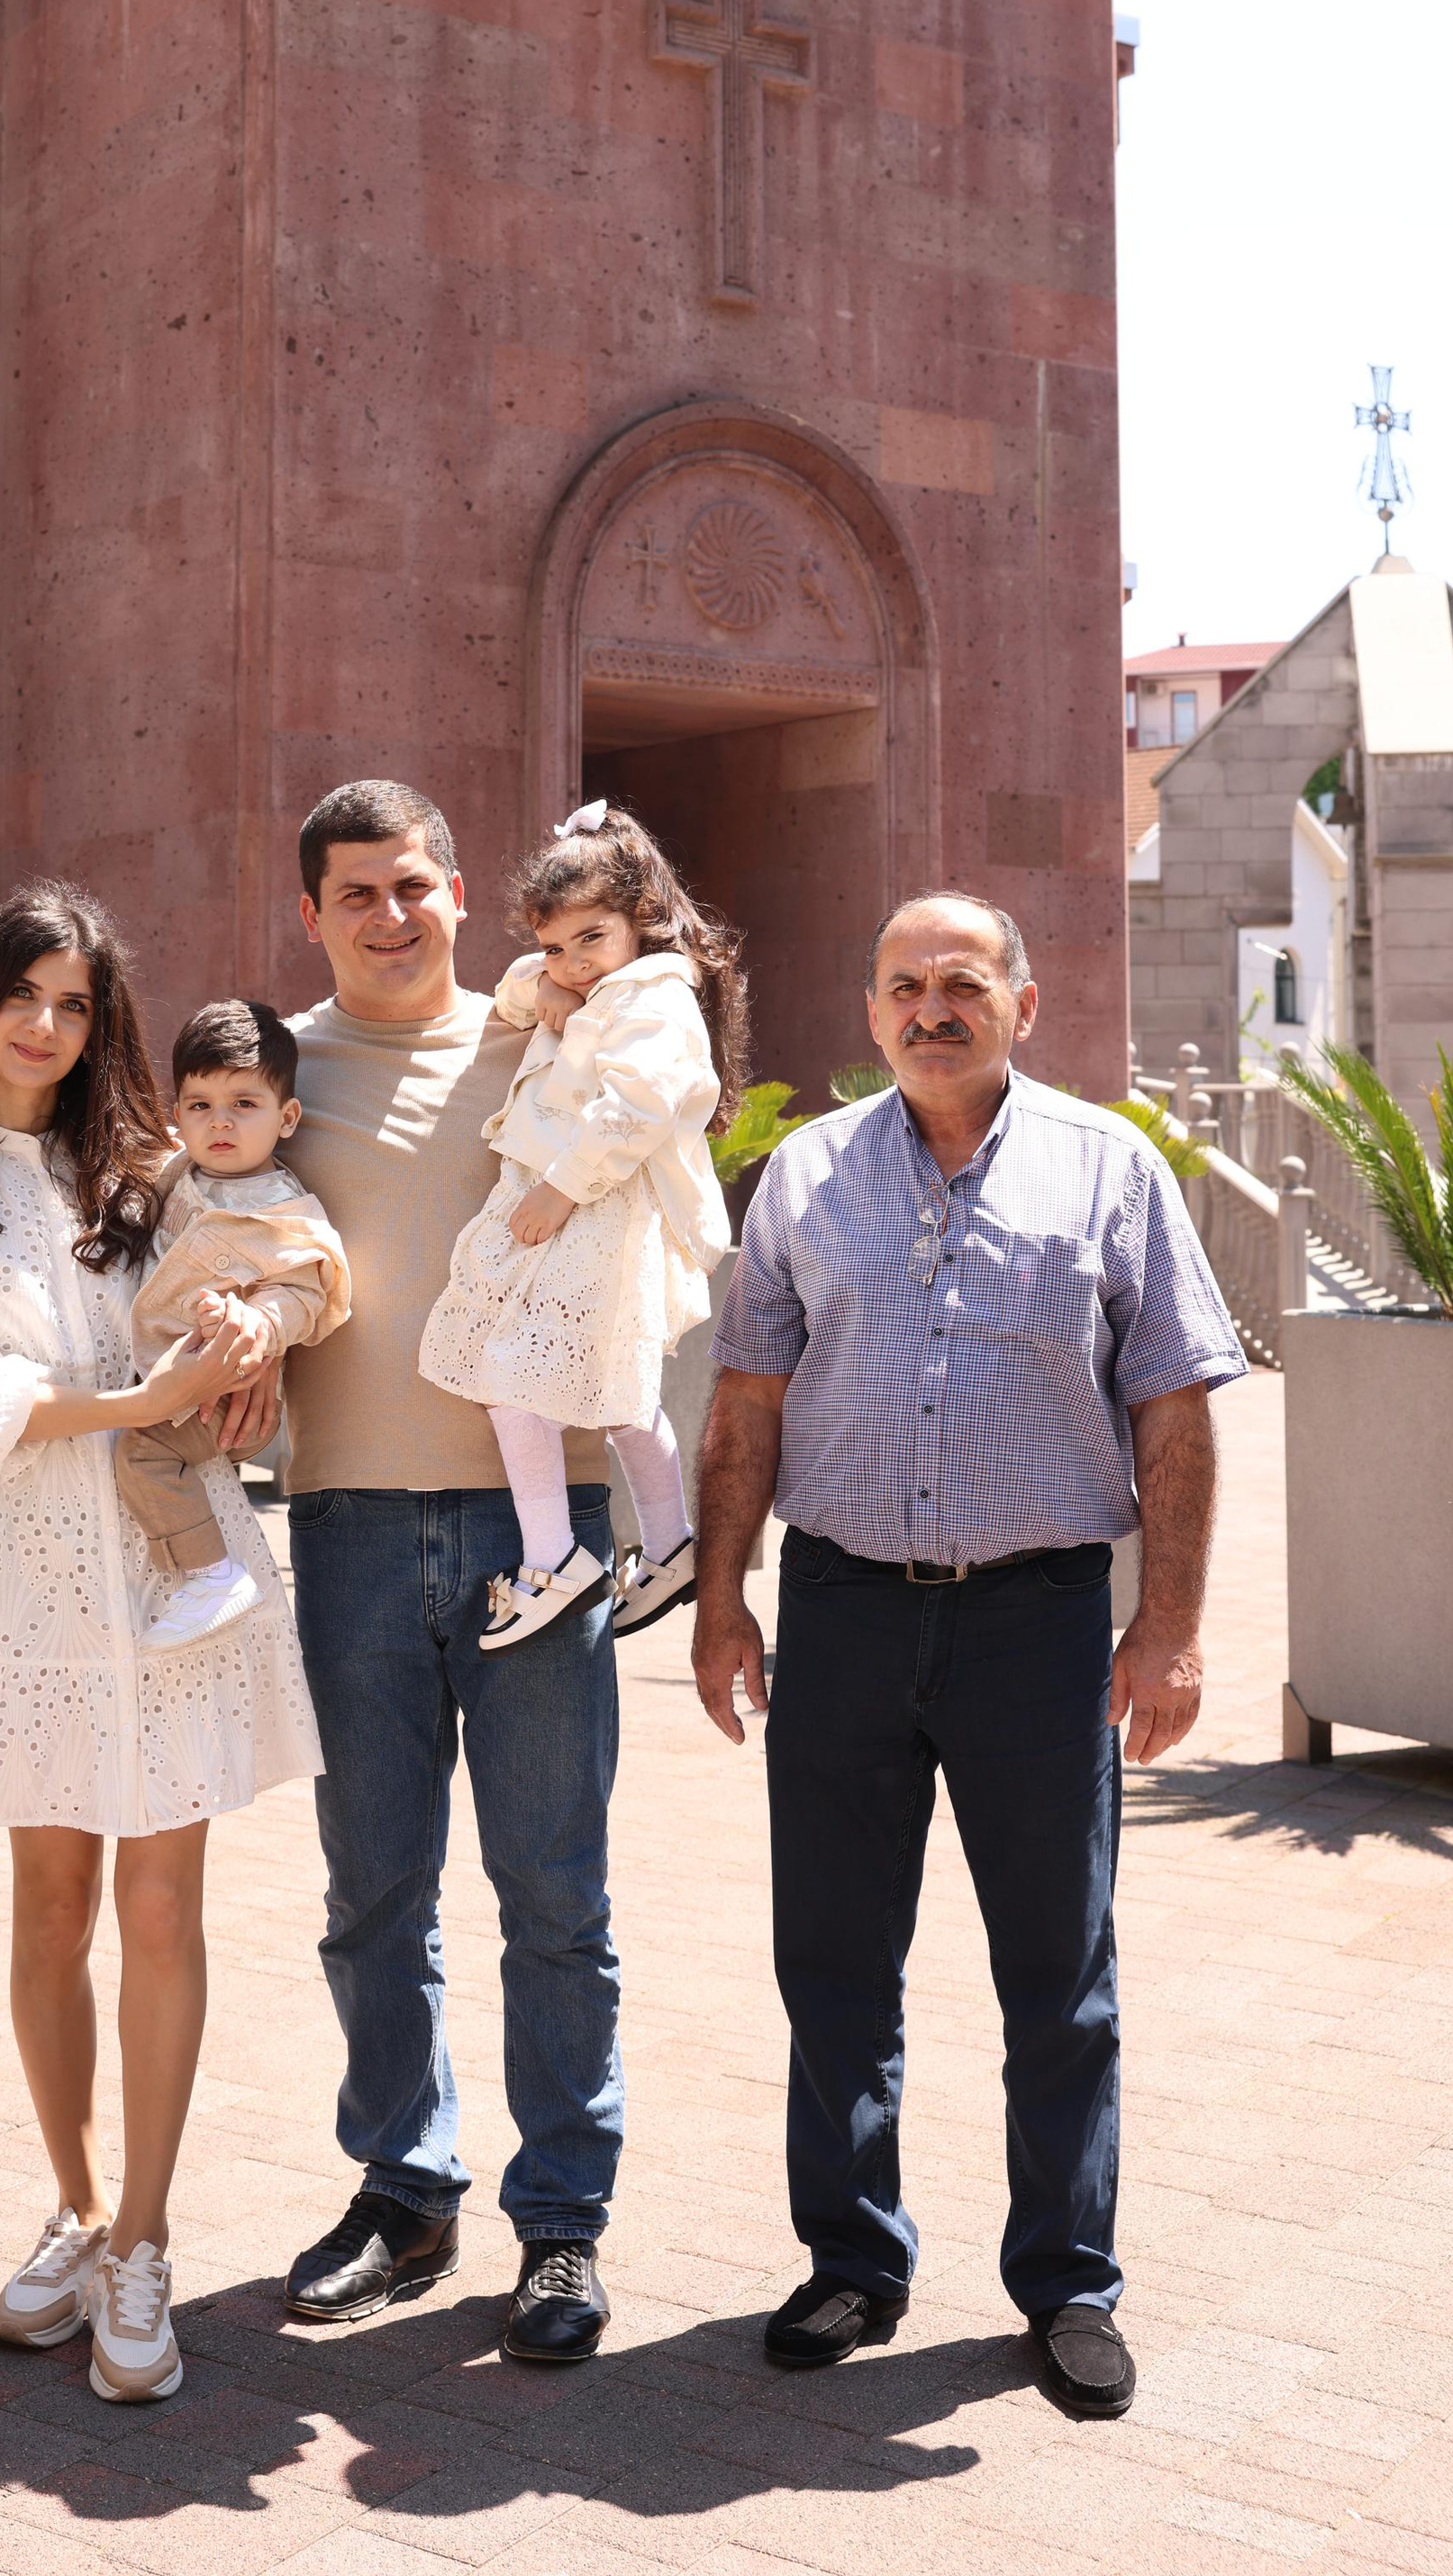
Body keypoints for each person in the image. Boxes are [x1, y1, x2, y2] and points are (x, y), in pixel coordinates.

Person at [694, 891, 1245, 2423]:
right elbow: (744, 1403)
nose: (933, 1006)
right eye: (904, 985)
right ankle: (853, 2256)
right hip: (848, 1611)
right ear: (869, 1012)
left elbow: (1177, 1414)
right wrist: (724, 1600)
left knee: (1058, 1973)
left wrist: (1175, 1625)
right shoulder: (806, 1174)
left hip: (1039, 1623)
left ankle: (1068, 2282)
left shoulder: (1110, 1167)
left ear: (1024, 997)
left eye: (963, 981)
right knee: (835, 1960)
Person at [0, 883, 322, 2408]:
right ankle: (69, 2201)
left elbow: (272, 1257)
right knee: (51, 1902)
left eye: (74, 1002)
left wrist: (260, 1324)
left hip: (173, 1560)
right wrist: (127, 1397)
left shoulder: (148, 1160)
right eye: (23, 994)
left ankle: (146, 2236)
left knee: (166, 1901)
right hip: (24, 1573)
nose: (46, 1026)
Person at [276, 781, 622, 2365]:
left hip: (537, 1527)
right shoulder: (271, 1069)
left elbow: (681, 1042)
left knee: (553, 1892)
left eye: (412, 884)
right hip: (346, 1524)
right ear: (313, 913)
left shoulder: (551, 1030)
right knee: (374, 1895)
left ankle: (561, 2226)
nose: (389, 914)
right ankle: (405, 2191)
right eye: (356, 892)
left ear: (463, 888)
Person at [418, 800, 738, 1650]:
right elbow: (515, 993)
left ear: (644, 921)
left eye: (590, 939)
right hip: (577, 1203)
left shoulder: (658, 999)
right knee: (614, 1392)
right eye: (557, 944)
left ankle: (554, 1557)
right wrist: (553, 978)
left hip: (591, 1204)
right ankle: (668, 1544)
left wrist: (558, 1190)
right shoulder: (608, 987)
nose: (573, 962)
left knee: (513, 1379)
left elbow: (635, 1109)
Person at [123, 997, 352, 1653]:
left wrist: (257, 1322)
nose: (219, 1123)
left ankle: (210, 1575)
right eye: (200, 1106)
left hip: (225, 1391)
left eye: (243, 1105)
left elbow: (306, 1288)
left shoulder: (284, 1211)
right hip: (171, 1368)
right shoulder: (176, 1174)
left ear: (287, 1118)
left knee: (144, 1453)